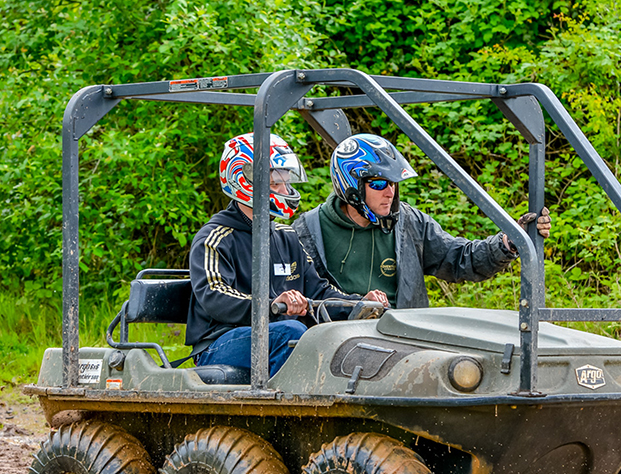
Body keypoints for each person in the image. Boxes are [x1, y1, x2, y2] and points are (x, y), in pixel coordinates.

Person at [185, 132, 387, 377]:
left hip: (276, 331)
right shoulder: (215, 237)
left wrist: (359, 304)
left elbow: (317, 290)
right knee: (291, 332)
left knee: (340, 335)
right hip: (221, 340)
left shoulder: (286, 235)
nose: (285, 189)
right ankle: (289, 412)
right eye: (275, 183)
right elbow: (214, 296)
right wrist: (271, 306)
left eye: (286, 181)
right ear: (243, 180)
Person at [293, 133, 551, 309]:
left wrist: (509, 242)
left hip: (404, 338)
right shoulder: (307, 232)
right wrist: (357, 306)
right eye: (379, 183)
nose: (390, 192)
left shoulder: (408, 222)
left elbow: (459, 258)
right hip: (338, 343)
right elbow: (300, 301)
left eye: (393, 183)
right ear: (350, 186)